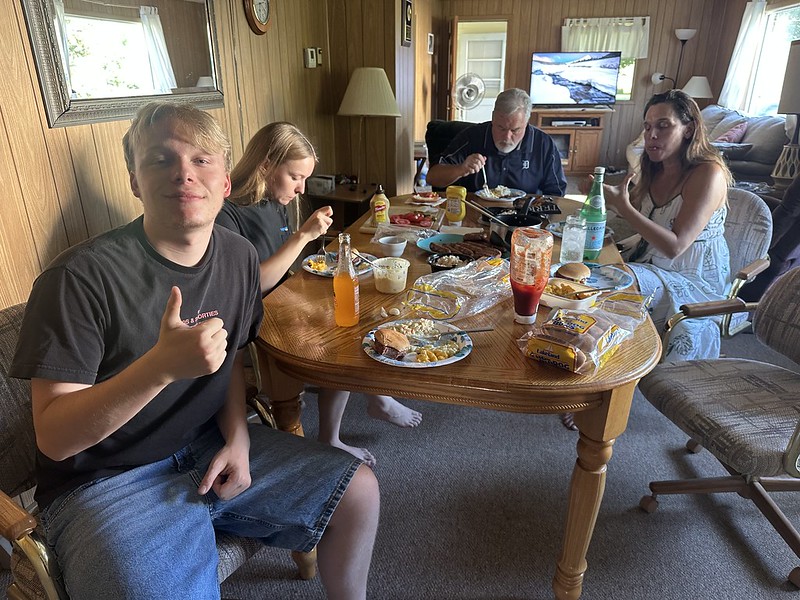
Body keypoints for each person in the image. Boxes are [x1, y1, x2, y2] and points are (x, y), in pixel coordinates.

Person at [10, 102, 379, 599]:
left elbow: (228, 364)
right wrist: (158, 369)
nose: (184, 173)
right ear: (135, 181)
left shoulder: (239, 256)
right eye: (160, 159)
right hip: (105, 481)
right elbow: (55, 438)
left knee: (359, 493)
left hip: (208, 445)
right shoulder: (76, 279)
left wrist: (238, 438)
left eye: (201, 159)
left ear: (225, 182)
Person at [216, 122, 421, 468]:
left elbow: (283, 265)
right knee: (344, 330)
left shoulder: (273, 198)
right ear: (265, 166)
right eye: (296, 177)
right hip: (251, 320)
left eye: (305, 179)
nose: (301, 188)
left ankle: (372, 401)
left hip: (282, 299)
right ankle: (342, 428)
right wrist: (303, 236)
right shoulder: (228, 213)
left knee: (359, 306)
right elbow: (253, 284)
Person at [600, 89, 732, 362]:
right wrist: (606, 199)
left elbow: (675, 246)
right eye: (648, 126)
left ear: (688, 129)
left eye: (663, 126)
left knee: (614, 281)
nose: (652, 135)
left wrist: (623, 207)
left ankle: (617, 363)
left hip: (691, 278)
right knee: (591, 265)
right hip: (652, 260)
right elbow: (640, 215)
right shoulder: (654, 168)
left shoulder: (708, 173)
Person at [426, 88, 567, 196]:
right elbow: (432, 177)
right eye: (501, 128)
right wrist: (461, 169)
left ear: (526, 122)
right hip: (476, 215)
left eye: (515, 130)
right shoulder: (472, 137)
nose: (507, 137)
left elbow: (556, 193)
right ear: (493, 117)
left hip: (525, 218)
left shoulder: (543, 144)